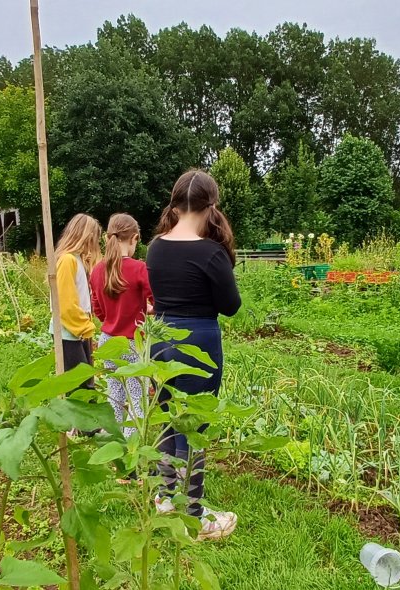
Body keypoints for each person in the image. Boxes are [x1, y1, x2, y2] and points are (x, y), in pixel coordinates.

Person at [146, 169, 241, 541]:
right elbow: (230, 306)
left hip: (162, 339)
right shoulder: (211, 252)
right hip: (199, 339)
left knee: (169, 418)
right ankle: (195, 517)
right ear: (211, 204)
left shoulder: (155, 246)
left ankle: (166, 497)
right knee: (195, 426)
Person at [89, 214, 152, 477]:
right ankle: (130, 460)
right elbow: (153, 303)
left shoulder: (97, 270)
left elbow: (97, 310)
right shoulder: (138, 268)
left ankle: (114, 454)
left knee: (115, 398)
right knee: (136, 401)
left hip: (107, 341)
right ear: (134, 238)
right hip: (131, 341)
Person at [50, 214, 102, 392]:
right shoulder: (67, 260)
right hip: (68, 331)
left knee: (87, 382)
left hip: (78, 330)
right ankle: (74, 421)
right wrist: (85, 328)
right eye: (93, 237)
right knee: (78, 386)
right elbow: (64, 303)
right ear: (85, 235)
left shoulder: (78, 259)